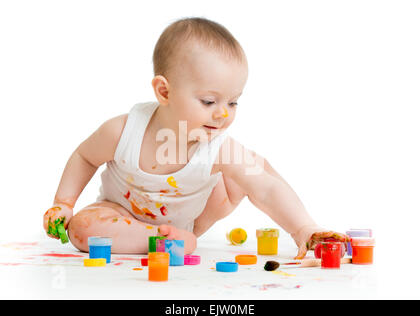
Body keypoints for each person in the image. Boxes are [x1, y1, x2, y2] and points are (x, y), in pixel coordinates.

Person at [43, 17, 348, 258]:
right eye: (208, 101)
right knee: (82, 228)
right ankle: (159, 241)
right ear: (164, 91)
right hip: (120, 213)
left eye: (233, 102)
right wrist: (63, 203)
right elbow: (84, 156)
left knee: (252, 171)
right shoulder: (123, 131)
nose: (223, 114)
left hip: (191, 221)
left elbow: (267, 189)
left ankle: (184, 235)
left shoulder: (218, 146)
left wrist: (304, 229)